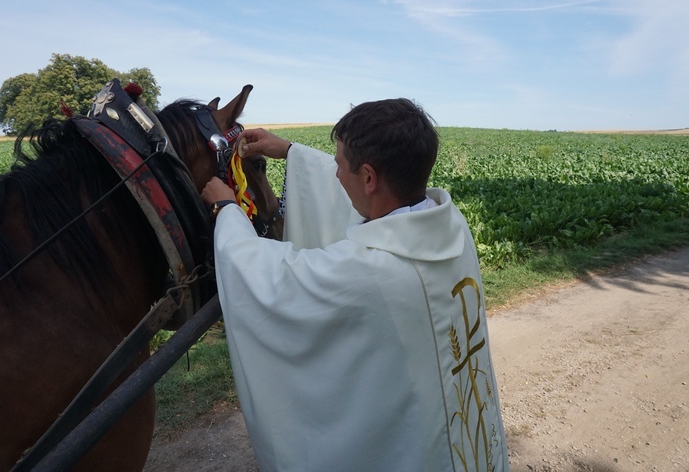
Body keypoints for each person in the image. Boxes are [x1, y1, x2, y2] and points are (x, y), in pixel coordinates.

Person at [201, 98, 509, 471]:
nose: (334, 174)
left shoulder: (369, 272)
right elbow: (371, 198)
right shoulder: (449, 224)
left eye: (338, 163)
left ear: (368, 177)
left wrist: (226, 209)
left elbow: (265, 276)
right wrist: (290, 152)